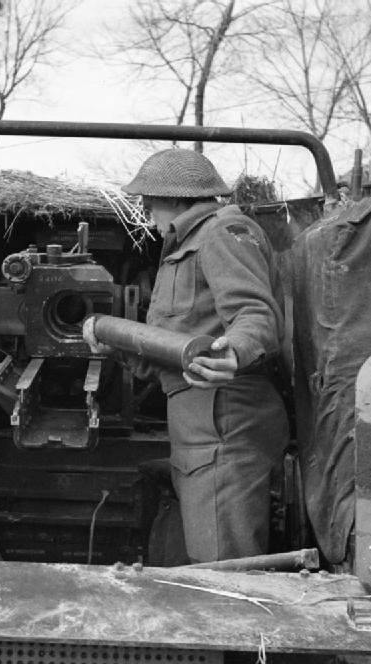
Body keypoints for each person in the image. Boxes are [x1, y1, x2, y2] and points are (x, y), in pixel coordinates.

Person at [84, 148, 289, 563]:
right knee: (207, 567)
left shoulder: (223, 231)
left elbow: (256, 314)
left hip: (225, 419)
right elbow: (174, 348)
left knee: (225, 576)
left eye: (151, 200)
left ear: (175, 199)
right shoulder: (188, 244)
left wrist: (236, 350)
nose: (146, 209)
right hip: (199, 422)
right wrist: (117, 347)